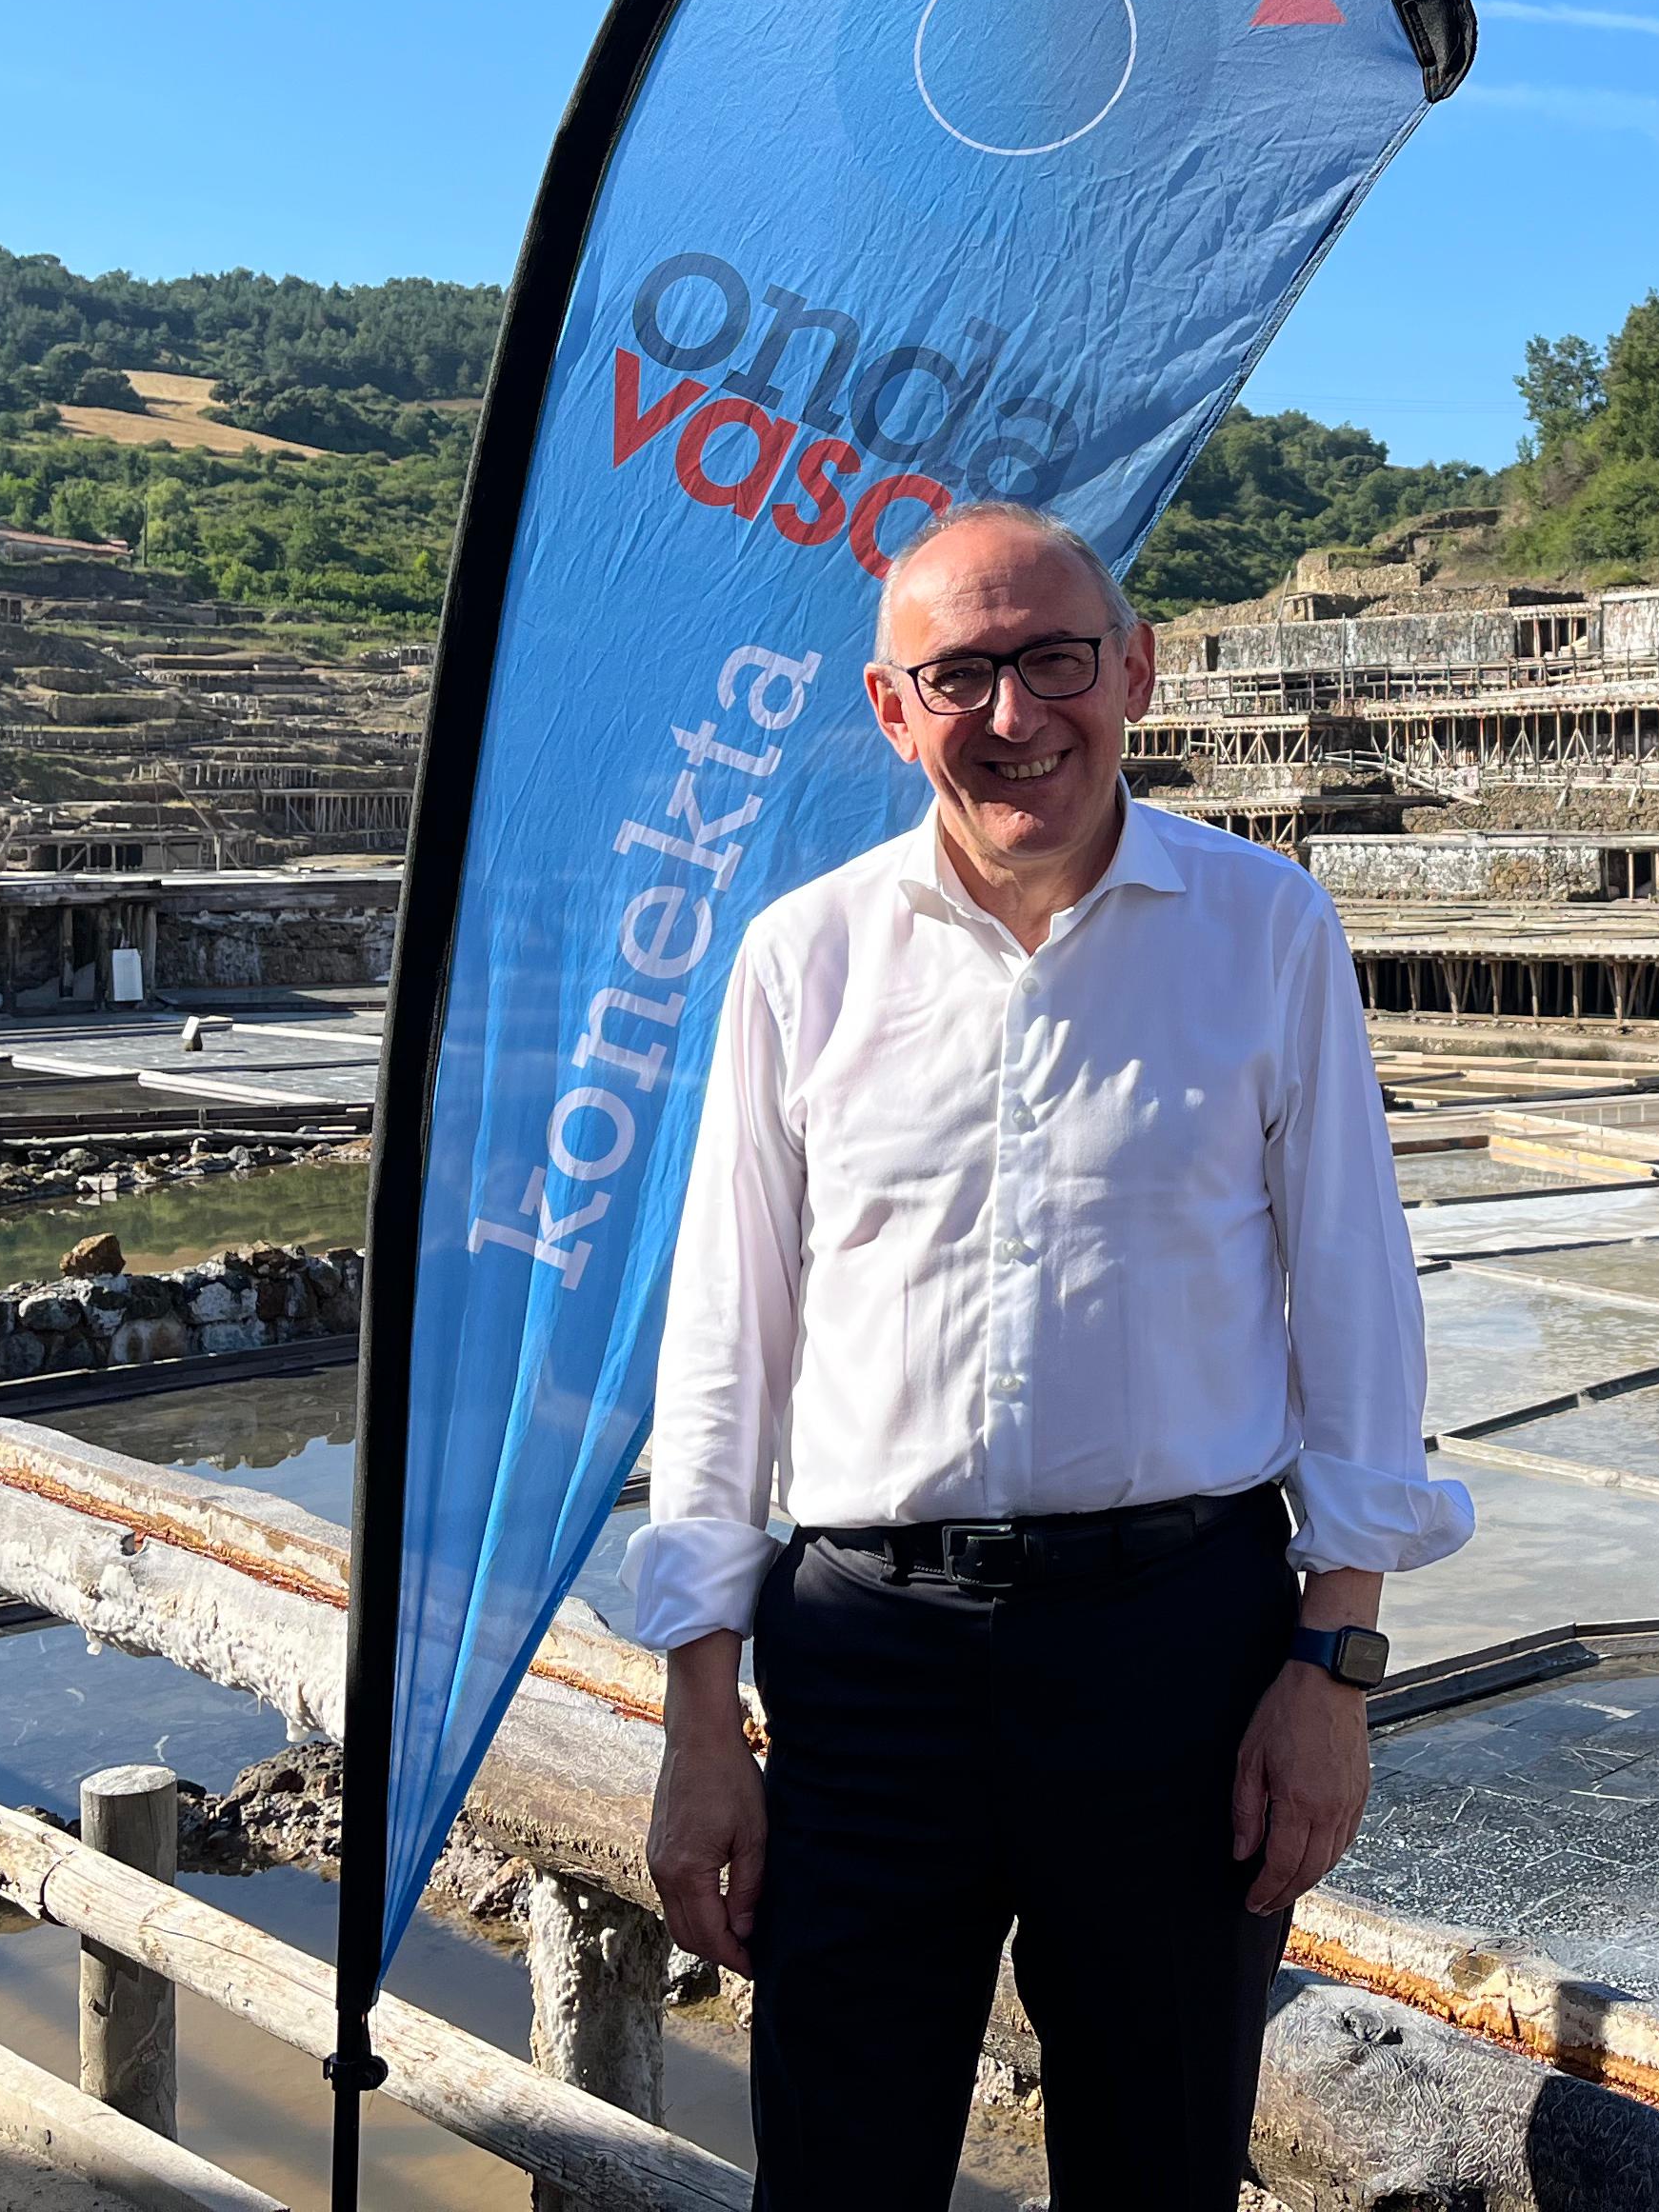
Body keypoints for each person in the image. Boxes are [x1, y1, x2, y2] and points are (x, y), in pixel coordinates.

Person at [630, 497, 1471, 2212]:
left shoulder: (1265, 929)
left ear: (1135, 672)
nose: (1015, 718)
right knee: (840, 2171)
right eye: (962, 677)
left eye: (1055, 663)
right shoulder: (806, 956)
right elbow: (729, 1346)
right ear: (891, 707)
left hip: (1180, 1659)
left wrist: (1338, 1671)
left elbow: (1357, 1311)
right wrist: (701, 1718)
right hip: (865, 1665)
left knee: (1157, 2167)